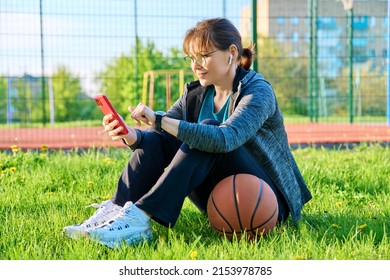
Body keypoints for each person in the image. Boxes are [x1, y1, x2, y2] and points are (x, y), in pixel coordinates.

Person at [63, 17, 312, 248]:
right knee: (159, 139)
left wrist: (159, 120)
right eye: (191, 58)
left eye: (204, 56)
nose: (195, 66)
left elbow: (227, 138)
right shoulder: (194, 94)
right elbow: (160, 136)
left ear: (232, 53)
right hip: (221, 193)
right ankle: (117, 209)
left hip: (266, 200)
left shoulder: (257, 91)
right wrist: (130, 135)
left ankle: (140, 218)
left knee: (207, 132)